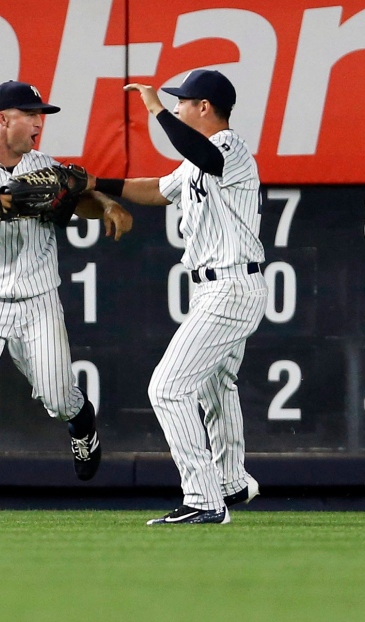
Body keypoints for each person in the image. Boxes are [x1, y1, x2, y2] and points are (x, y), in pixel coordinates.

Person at [0, 80, 133, 525]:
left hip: (37, 299)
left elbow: (80, 198)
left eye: (42, 115)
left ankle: (82, 424)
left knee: (58, 397)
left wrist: (106, 205)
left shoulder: (42, 166)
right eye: (31, 114)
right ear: (2, 119)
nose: (39, 123)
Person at [87, 70, 266, 525]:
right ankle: (230, 482)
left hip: (230, 285)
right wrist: (94, 183)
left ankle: (204, 499)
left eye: (183, 101)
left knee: (167, 388)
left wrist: (155, 110)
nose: (177, 106)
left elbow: (200, 151)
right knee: (215, 386)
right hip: (217, 287)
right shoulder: (196, 163)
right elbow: (156, 190)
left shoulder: (230, 148)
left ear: (203, 107)